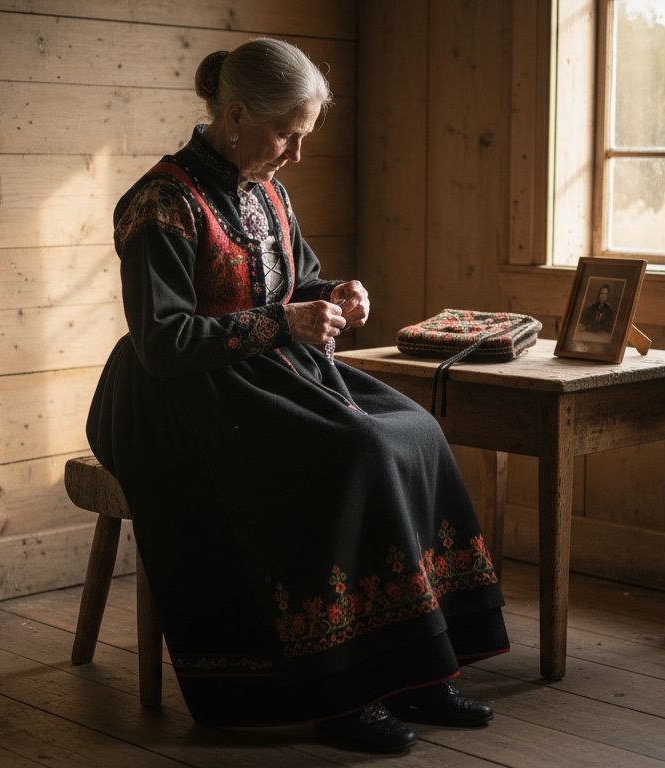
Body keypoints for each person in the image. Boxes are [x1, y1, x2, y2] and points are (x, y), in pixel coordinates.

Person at [85, 39, 509, 754]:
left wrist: (334, 295)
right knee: (354, 452)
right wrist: (285, 322)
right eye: (289, 133)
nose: (296, 154)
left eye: (304, 136)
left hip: (268, 373)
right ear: (237, 112)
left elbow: (294, 283)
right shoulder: (161, 202)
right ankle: (343, 691)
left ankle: (416, 668)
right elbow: (163, 343)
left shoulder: (270, 190)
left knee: (415, 429)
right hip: (178, 398)